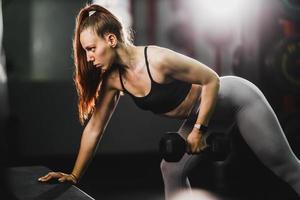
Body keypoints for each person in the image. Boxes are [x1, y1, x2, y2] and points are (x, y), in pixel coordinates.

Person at [38, 4, 300, 199]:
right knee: (171, 170)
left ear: (111, 39)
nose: (89, 57)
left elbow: (211, 80)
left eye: (91, 48)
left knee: (286, 168)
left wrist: (199, 130)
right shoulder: (113, 82)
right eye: (85, 51)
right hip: (205, 114)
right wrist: (74, 175)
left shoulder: (158, 60)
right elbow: (95, 128)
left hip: (236, 98)